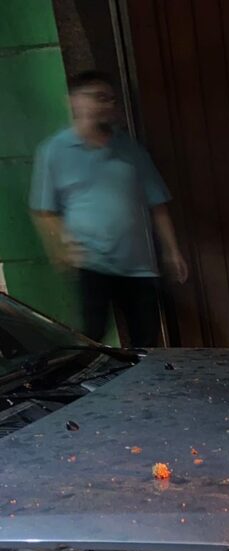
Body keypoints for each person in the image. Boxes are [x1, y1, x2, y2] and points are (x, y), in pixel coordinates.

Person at [30, 70, 188, 347]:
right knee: (92, 336)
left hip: (139, 266)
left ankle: (143, 391)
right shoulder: (54, 151)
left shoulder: (129, 149)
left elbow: (158, 202)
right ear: (73, 101)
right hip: (93, 263)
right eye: (98, 98)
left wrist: (173, 250)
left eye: (111, 100)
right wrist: (62, 245)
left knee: (147, 342)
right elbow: (43, 210)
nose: (107, 106)